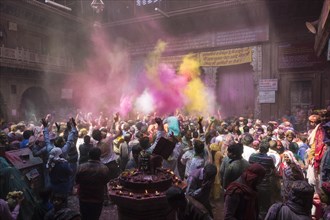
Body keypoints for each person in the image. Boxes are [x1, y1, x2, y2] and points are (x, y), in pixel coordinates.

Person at [75, 147, 111, 220]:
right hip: (97, 198)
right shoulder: (104, 169)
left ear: (89, 154)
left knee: (84, 217)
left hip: (83, 197)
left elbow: (77, 181)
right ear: (99, 156)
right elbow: (106, 182)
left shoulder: (81, 167)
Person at [248, 141, 277, 219]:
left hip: (253, 184)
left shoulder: (252, 156)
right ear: (267, 149)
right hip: (265, 185)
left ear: (259, 148)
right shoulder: (269, 159)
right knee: (264, 207)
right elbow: (274, 170)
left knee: (253, 205)